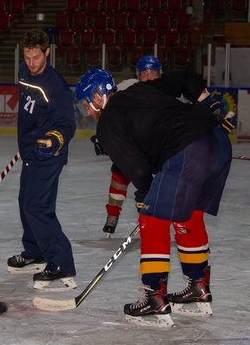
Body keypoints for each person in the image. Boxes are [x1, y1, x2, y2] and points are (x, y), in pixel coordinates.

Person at [76, 68, 232, 327]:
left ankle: (154, 298)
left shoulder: (107, 122)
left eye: (86, 106)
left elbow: (137, 170)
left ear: (97, 96)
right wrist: (204, 98)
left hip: (187, 149)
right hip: (218, 141)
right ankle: (198, 288)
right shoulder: (140, 89)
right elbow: (183, 77)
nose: (88, 113)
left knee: (153, 218)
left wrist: (146, 197)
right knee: (189, 216)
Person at [7, 29, 77, 292]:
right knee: (25, 202)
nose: (31, 62)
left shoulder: (56, 85)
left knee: (37, 207)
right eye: (27, 56)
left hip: (49, 155)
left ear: (47, 52)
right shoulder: (23, 72)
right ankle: (35, 251)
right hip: (29, 152)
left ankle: (62, 265)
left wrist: (53, 140)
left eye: (36, 57)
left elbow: (67, 124)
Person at [97, 55, 163, 237]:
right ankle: (112, 215)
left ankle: (152, 218)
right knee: (119, 174)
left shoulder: (167, 92)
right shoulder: (127, 87)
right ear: (138, 75)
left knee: (163, 182)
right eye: (144, 73)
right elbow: (110, 109)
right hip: (131, 144)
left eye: (153, 73)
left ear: (160, 74)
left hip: (155, 146)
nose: (149, 77)